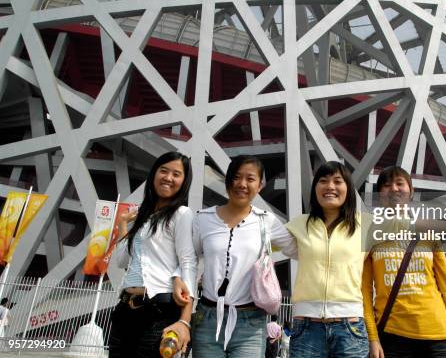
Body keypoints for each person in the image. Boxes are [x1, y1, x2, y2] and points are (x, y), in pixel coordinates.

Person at [183, 155, 297, 357]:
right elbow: (187, 261)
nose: (242, 184)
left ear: (260, 185)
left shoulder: (266, 221)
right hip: (207, 319)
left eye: (250, 179)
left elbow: (297, 249)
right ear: (228, 181)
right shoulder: (203, 218)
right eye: (236, 177)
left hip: (250, 323)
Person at [363, 166, 446, 358]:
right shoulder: (370, 234)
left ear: (411, 191)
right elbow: (364, 291)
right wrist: (372, 338)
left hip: (439, 337)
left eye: (400, 183)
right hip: (392, 337)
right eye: (387, 185)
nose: (394, 189)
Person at [109, 151, 197, 357]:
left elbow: (188, 261)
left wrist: (184, 321)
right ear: (154, 174)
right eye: (163, 171)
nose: (168, 178)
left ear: (184, 182)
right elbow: (121, 260)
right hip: (125, 309)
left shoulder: (181, 214)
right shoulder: (143, 215)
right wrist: (123, 224)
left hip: (158, 312)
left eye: (176, 174)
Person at [285, 161, 370, 357]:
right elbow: (261, 242)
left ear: (348, 188)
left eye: (337, 181)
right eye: (323, 181)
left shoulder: (366, 224)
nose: (330, 186)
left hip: (350, 327)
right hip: (306, 326)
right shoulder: (298, 225)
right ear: (315, 188)